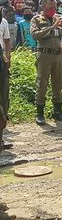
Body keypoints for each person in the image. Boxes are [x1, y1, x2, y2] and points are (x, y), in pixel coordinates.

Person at [31, 0, 62, 125]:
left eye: (54, 7)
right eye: (50, 7)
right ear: (43, 6)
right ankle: (40, 113)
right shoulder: (36, 19)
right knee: (42, 82)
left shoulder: (57, 18)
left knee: (58, 82)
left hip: (58, 55)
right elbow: (35, 35)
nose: (53, 9)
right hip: (44, 55)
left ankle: (58, 111)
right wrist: (52, 27)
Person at [0, 10, 11, 143]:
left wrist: (6, 57)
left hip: (1, 63)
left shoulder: (3, 23)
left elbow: (6, 43)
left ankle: (1, 140)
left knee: (3, 97)